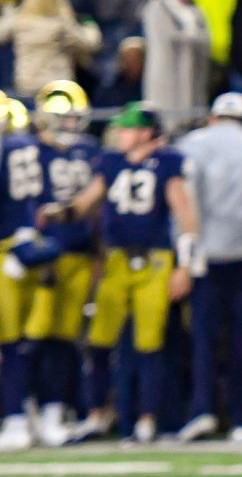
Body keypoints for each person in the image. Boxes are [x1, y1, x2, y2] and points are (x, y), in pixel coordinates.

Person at [44, 104, 196, 445]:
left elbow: (186, 215)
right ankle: (97, 414)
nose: (120, 134)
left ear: (145, 132)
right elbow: (85, 203)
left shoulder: (167, 161)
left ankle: (147, 419)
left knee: (149, 344)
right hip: (116, 259)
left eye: (127, 128)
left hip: (155, 260)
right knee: (99, 341)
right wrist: (59, 213)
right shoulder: (111, 162)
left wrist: (185, 266)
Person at [1, 82, 100, 445]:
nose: (70, 125)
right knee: (27, 339)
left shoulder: (89, 151)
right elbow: (25, 206)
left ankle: (51, 413)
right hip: (34, 255)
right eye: (63, 117)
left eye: (74, 117)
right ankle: (19, 413)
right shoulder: (26, 151)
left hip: (76, 253)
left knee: (62, 340)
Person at [175, 91, 242, 443]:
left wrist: (186, 257)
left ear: (213, 116)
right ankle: (241, 419)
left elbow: (186, 201)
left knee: (203, 339)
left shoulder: (192, 144)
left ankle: (203, 410)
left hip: (205, 254)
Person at [140, 0, 211, 126]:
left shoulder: (196, 12)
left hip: (193, 76)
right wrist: (191, 38)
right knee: (166, 116)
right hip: (167, 73)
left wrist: (193, 39)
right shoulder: (158, 6)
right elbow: (166, 37)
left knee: (193, 113)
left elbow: (206, 39)